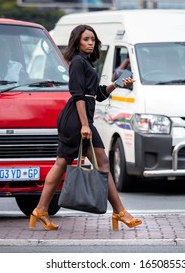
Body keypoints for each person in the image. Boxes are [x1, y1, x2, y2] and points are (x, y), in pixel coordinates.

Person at [29, 24, 143, 231]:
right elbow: (77, 95)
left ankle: (41, 210)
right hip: (77, 120)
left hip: (78, 120)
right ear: (77, 42)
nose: (90, 43)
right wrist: (84, 125)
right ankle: (120, 212)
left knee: (64, 163)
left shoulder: (86, 62)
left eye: (93, 40)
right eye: (86, 39)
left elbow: (97, 94)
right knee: (100, 163)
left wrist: (117, 83)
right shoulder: (77, 62)